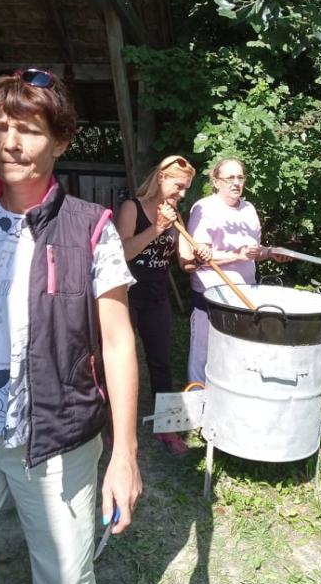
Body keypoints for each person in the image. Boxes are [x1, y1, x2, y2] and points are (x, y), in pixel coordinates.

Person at [0, 69, 141, 584]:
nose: (9, 142)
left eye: (28, 130)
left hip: (56, 440)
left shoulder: (91, 228)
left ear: (60, 141)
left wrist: (124, 454)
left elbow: (118, 342)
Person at [116, 156, 210, 455]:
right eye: (178, 186)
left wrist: (199, 258)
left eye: (186, 189)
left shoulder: (175, 216)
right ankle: (113, 428)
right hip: (126, 296)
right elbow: (123, 252)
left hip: (157, 297)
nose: (182, 194)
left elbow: (184, 262)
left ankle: (166, 428)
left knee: (161, 361)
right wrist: (157, 228)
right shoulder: (132, 208)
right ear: (161, 178)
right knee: (118, 362)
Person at [185, 157, 290, 385]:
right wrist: (236, 255)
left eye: (240, 177)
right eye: (230, 178)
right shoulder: (204, 209)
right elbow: (198, 257)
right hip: (211, 293)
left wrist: (270, 252)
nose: (236, 183)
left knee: (235, 349)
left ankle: (229, 393)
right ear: (216, 181)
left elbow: (253, 252)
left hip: (244, 292)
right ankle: (197, 395)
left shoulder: (248, 209)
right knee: (203, 351)